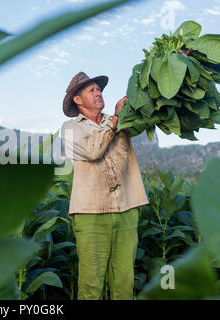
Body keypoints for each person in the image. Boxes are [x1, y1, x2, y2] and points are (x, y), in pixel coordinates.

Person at [60, 72, 149, 300]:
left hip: (126, 208)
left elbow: (148, 119)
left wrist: (148, 92)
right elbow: (93, 150)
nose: (98, 93)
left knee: (124, 282)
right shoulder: (71, 128)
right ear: (77, 100)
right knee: (91, 284)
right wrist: (116, 120)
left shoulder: (120, 119)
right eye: (91, 90)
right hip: (90, 213)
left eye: (99, 89)